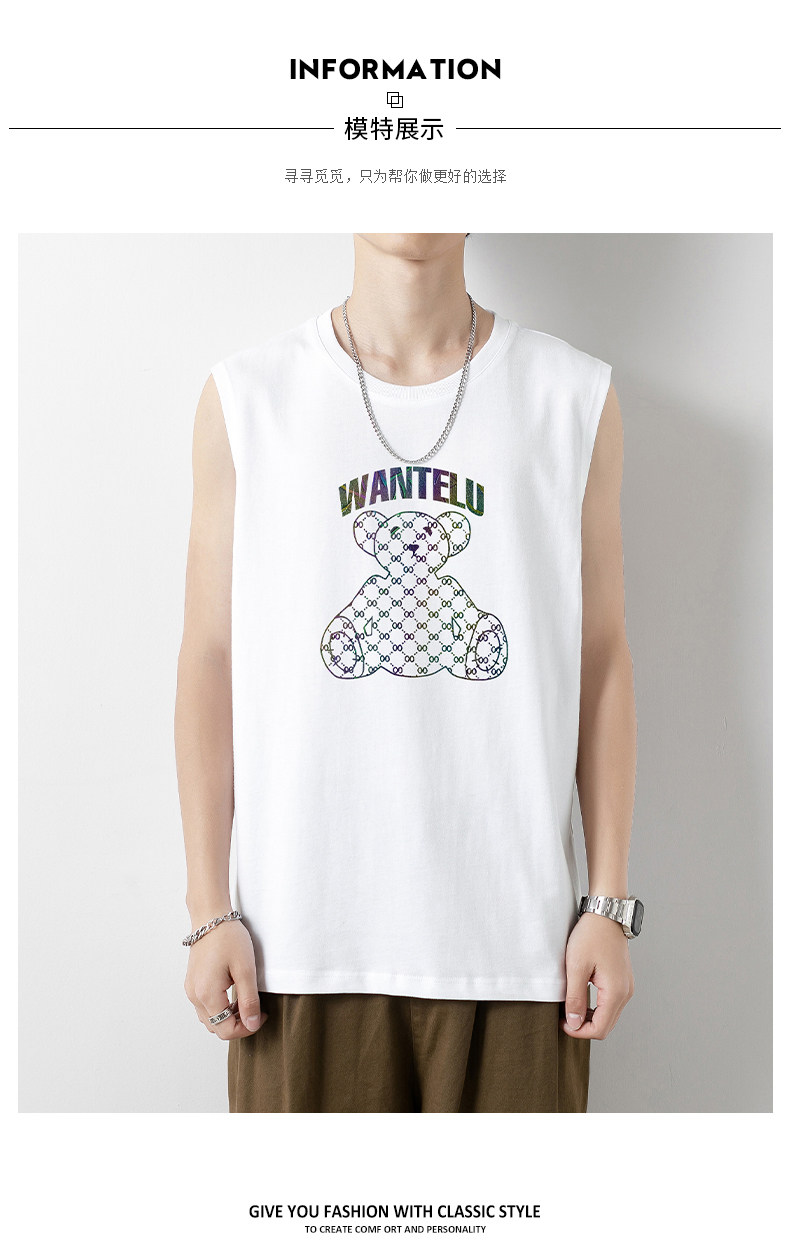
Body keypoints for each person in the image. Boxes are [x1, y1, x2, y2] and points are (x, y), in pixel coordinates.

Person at [174, 233, 639, 1113]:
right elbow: (210, 657)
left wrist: (608, 904)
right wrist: (209, 911)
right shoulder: (249, 397)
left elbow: (602, 657)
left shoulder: (572, 396)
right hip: (296, 948)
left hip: (520, 948)